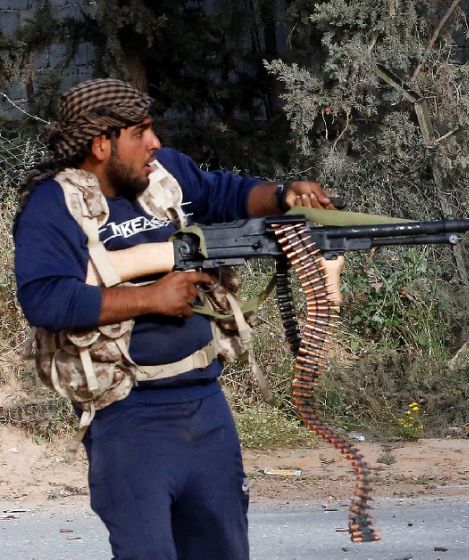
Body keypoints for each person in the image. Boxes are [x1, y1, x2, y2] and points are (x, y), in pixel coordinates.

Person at [14, 78, 337, 560]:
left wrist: (284, 194)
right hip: (128, 418)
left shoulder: (166, 176)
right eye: (141, 133)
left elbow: (226, 193)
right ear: (102, 144)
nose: (155, 143)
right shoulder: (52, 206)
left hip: (205, 407)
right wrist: (151, 299)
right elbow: (45, 299)